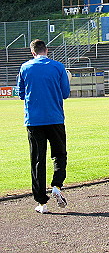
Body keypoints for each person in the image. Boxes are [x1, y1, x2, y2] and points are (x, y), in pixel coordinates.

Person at [17, 39, 71, 214]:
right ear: (46, 50)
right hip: (55, 118)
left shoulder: (25, 68)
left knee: (38, 160)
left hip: (34, 120)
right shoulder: (58, 67)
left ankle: (42, 202)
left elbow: (21, 94)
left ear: (33, 52)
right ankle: (57, 185)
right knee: (59, 154)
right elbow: (65, 94)